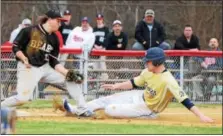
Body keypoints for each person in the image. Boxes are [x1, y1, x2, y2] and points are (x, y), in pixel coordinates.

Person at [60, 47, 214, 123]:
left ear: (158, 62)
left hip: (148, 109)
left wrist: (201, 117)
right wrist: (116, 86)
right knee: (106, 99)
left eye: (148, 60)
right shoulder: (147, 72)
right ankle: (76, 109)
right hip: (138, 96)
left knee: (109, 109)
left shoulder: (169, 81)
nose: (146, 62)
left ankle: (92, 115)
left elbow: (185, 100)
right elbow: (134, 83)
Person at [1, 9, 92, 117]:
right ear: (49, 20)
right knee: (22, 98)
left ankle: (82, 109)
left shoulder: (55, 38)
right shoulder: (29, 31)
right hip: (28, 67)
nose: (60, 23)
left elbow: (54, 61)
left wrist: (67, 73)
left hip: (45, 67)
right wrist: (23, 57)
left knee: (70, 79)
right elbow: (15, 47)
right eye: (58, 20)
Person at [92, 13, 109, 79]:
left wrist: (101, 47)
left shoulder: (106, 29)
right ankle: (96, 81)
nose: (99, 21)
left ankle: (105, 79)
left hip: (102, 49)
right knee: (95, 66)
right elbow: (92, 39)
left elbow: (107, 39)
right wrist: (95, 46)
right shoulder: (94, 29)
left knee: (102, 64)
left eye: (100, 19)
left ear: (102, 20)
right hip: (95, 49)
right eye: (98, 19)